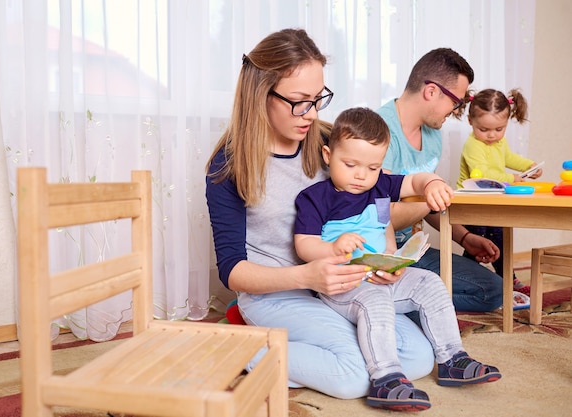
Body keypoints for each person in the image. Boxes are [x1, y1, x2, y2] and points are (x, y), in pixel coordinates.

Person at [205, 28, 436, 400]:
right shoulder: (230, 166)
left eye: (318, 99)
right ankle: (245, 348)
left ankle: (296, 347)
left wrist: (386, 259)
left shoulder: (330, 142)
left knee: (418, 357)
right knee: (355, 377)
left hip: (340, 290)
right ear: (260, 94)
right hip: (278, 295)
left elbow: (378, 197)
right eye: (299, 101)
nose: (310, 114)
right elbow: (231, 270)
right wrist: (308, 274)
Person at [294, 107, 501, 412]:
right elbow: (303, 245)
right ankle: (386, 377)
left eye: (373, 167)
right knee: (374, 300)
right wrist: (334, 248)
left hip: (382, 275)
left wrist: (431, 185)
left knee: (430, 282)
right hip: (343, 284)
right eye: (350, 164)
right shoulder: (316, 197)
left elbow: (416, 182)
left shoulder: (379, 186)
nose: (361, 175)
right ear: (328, 155)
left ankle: (452, 358)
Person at [377, 48, 503, 312]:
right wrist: (429, 201)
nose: (456, 110)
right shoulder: (378, 130)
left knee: (493, 291)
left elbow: (428, 205)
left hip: (412, 248)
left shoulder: (433, 136)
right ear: (431, 91)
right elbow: (381, 217)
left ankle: (409, 302)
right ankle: (402, 302)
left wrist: (465, 238)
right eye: (456, 101)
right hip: (379, 249)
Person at [458, 88, 542, 290]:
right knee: (477, 243)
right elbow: (483, 174)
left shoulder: (499, 142)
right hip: (472, 202)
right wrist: (511, 178)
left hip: (493, 199)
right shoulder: (473, 145)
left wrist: (528, 166)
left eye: (499, 129)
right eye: (484, 130)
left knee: (499, 238)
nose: (492, 135)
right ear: (471, 121)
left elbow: (509, 157)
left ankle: (505, 277)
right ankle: (465, 279)